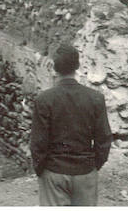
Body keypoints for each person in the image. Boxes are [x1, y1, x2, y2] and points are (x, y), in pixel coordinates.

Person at [30, 45, 112, 206]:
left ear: (54, 67)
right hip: (85, 172)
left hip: (54, 172)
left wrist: (41, 169)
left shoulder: (44, 99)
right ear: (78, 66)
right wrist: (94, 165)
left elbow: (38, 142)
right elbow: (104, 138)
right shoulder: (95, 98)